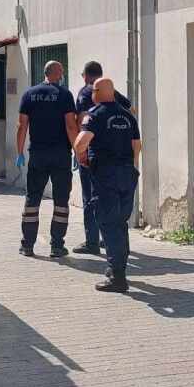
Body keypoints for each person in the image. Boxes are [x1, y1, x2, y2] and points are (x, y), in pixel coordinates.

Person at [72, 78, 141, 293]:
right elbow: (137, 146)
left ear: (97, 92)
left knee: (109, 223)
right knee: (120, 223)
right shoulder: (128, 116)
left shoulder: (95, 114)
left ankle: (117, 277)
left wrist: (81, 155)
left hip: (106, 175)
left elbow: (81, 142)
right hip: (127, 174)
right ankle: (118, 269)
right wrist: (131, 168)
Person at [15, 60, 78, 258]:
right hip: (60, 155)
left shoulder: (29, 94)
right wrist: (78, 150)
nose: (63, 74)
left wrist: (19, 152)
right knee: (61, 201)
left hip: (38, 155)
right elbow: (71, 126)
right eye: (62, 71)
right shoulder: (65, 95)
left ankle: (27, 245)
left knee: (32, 199)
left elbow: (22, 126)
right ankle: (57, 246)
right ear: (57, 73)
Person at [73, 60, 132, 255]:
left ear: (86, 76)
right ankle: (113, 241)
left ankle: (92, 242)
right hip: (119, 158)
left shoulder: (85, 93)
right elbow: (131, 111)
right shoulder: (112, 93)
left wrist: (80, 153)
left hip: (94, 156)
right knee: (115, 201)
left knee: (91, 198)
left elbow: (82, 121)